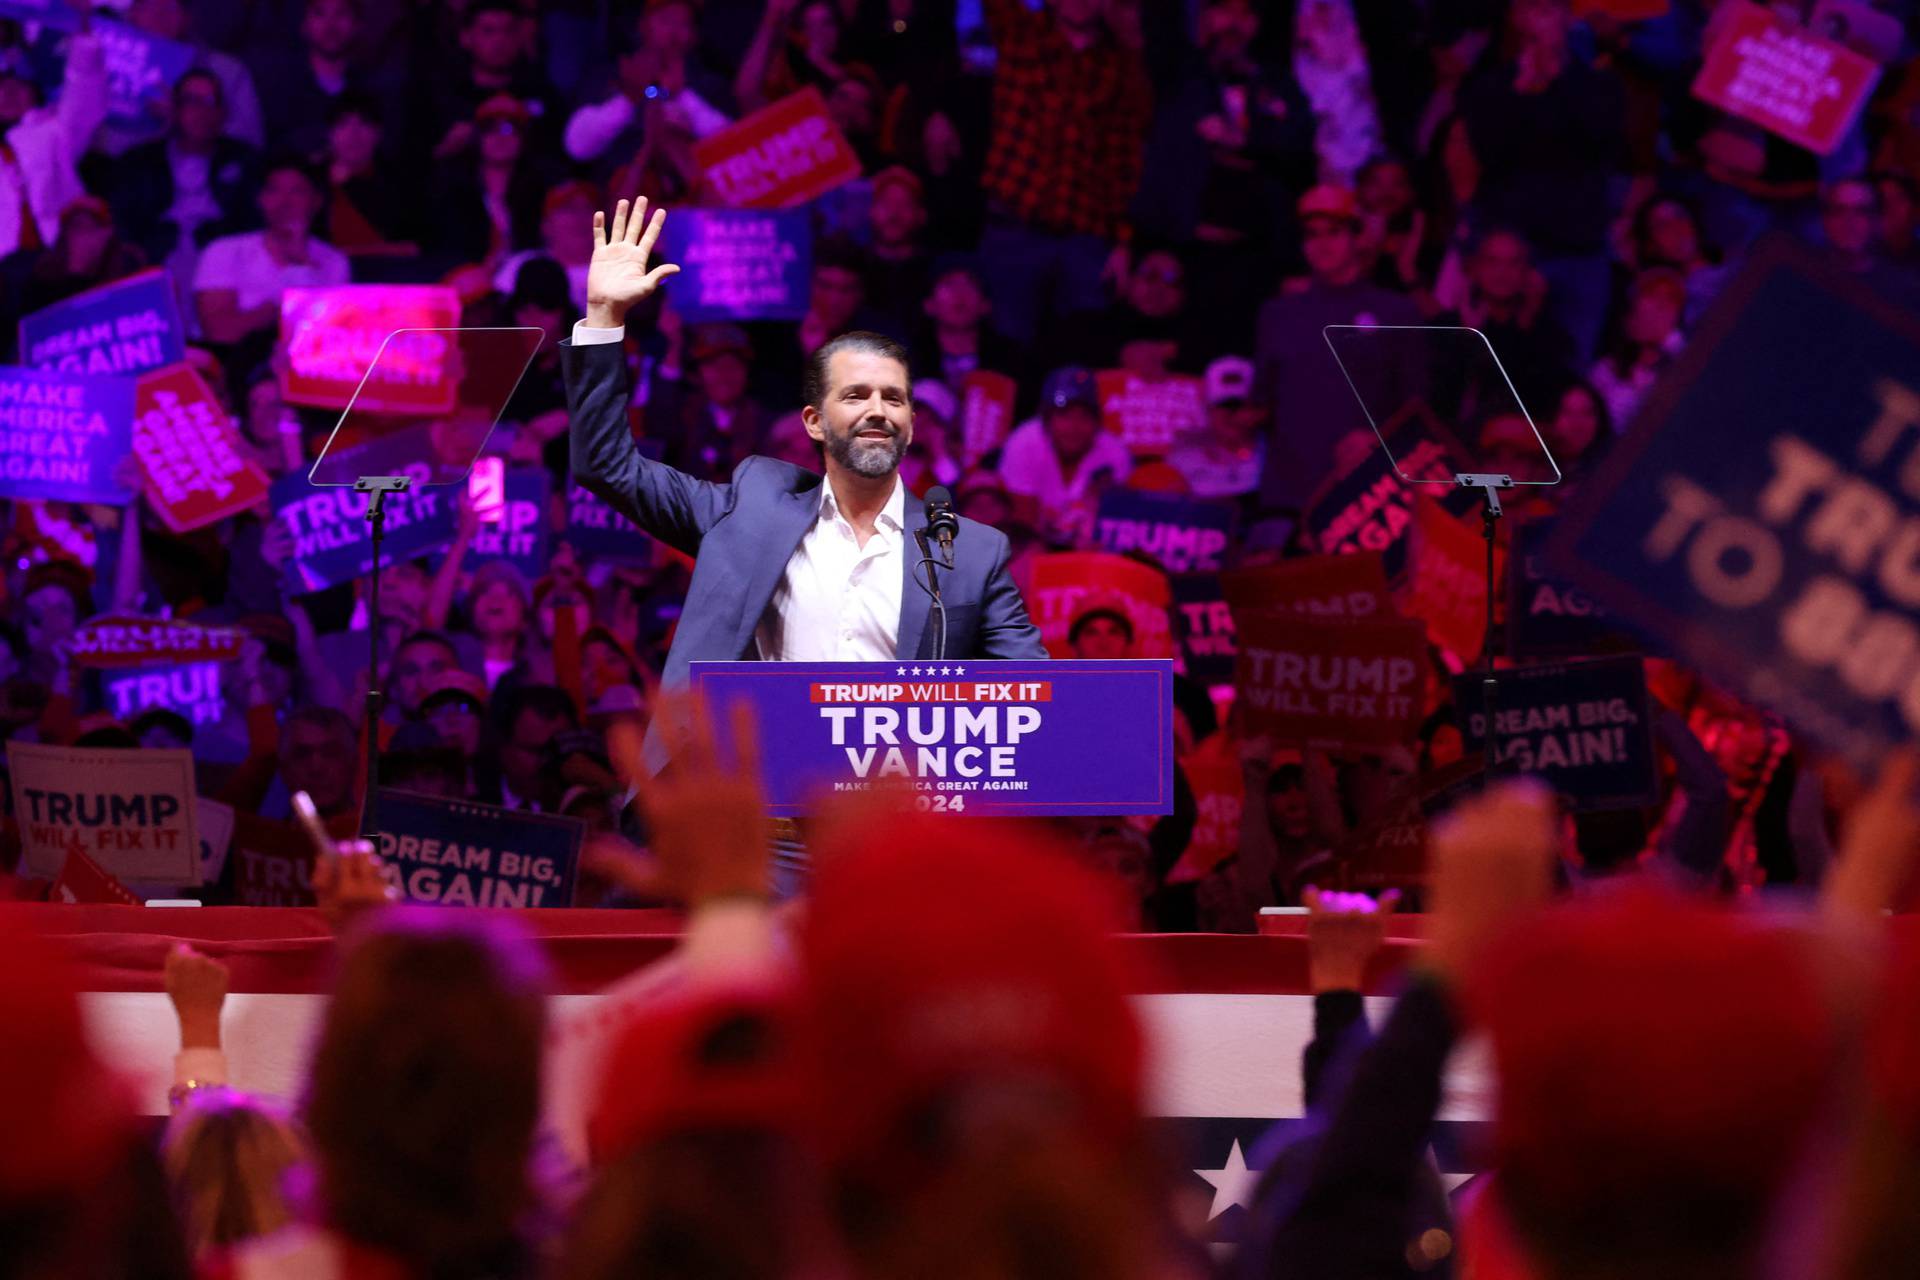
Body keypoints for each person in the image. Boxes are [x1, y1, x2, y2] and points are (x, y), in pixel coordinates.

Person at [567, 198, 1047, 771]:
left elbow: (1037, 705)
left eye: (893, 398)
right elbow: (606, 464)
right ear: (814, 423)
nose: (878, 411)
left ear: (913, 424)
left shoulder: (972, 552)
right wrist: (602, 318)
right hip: (764, 828)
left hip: (890, 831)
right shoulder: (748, 512)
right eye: (855, 396)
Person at [975, 0, 1153, 346]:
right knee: (1008, 351)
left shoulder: (1119, 65)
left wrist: (1123, 242)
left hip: (1085, 237)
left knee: (1081, 355)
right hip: (1016, 227)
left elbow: (1124, 161)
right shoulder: (1022, 33)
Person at [1251, 183, 1419, 512]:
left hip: (1369, 492)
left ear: (1358, 238)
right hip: (1287, 493)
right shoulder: (1277, 313)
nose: (1322, 244)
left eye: (1334, 232)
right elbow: (1262, 401)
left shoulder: (1397, 311)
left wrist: (1380, 441)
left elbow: (1418, 404)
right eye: (1312, 235)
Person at [0, 25, 105, 259]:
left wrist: (83, 26)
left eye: (19, 87)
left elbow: (86, 94)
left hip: (52, 261)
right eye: (1, 87)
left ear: (36, 92)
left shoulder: (55, 131)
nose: (9, 94)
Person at [997, 365, 1134, 545]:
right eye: (1064, 416)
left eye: (1084, 416)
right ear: (1047, 418)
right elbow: (1023, 525)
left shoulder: (1114, 453)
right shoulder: (1024, 444)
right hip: (1030, 547)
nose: (1074, 427)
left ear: (1097, 421)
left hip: (1090, 552)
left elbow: (1116, 526)